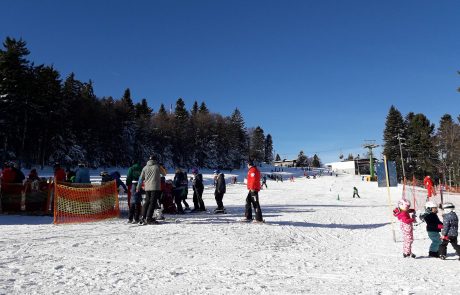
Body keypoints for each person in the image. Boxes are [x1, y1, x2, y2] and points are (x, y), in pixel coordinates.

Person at [137, 155, 163, 225]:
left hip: (147, 187)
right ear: (155, 160)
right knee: (152, 202)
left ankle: (143, 217)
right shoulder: (157, 167)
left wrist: (138, 187)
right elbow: (164, 173)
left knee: (147, 202)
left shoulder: (145, 167)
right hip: (155, 187)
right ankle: (149, 218)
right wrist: (161, 166)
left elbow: (140, 178)